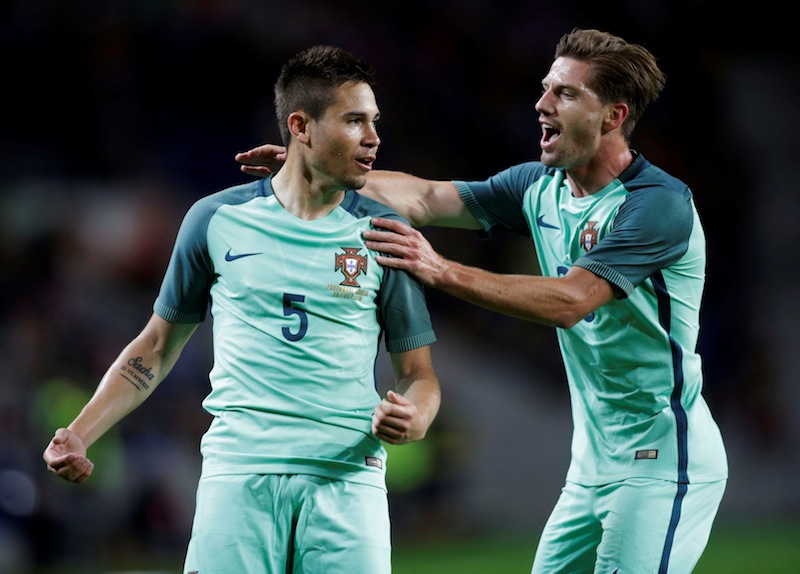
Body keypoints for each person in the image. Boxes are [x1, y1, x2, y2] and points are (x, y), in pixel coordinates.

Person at [235, 28, 728, 574]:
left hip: (663, 460)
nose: (541, 104)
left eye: (564, 94)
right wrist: (316, 166)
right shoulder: (540, 187)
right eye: (546, 88)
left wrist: (441, 269)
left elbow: (573, 300)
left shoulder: (656, 204)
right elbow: (423, 196)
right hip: (591, 465)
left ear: (613, 116)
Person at [43, 45, 441, 574]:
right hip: (239, 476)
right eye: (354, 121)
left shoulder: (387, 233)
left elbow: (420, 374)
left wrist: (417, 415)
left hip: (347, 480)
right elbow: (157, 346)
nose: (373, 137)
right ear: (300, 126)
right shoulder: (215, 219)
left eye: (374, 121)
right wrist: (80, 431)